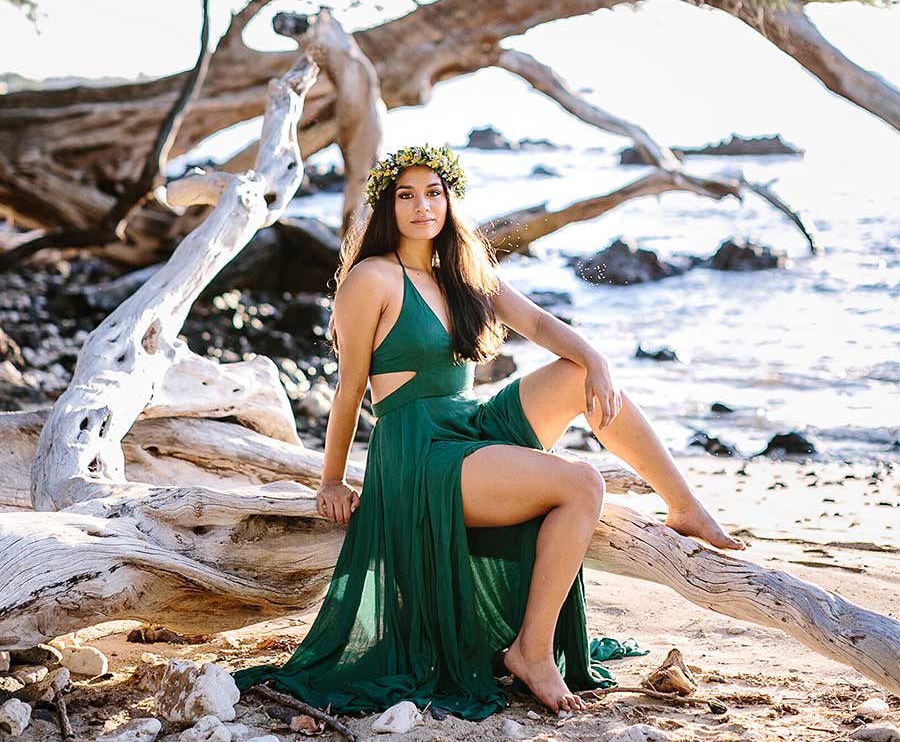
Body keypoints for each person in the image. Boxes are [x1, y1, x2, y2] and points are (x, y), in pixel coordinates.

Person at [231, 144, 745, 718]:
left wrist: (599, 359)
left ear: (450, 199)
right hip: (421, 453)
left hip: (468, 423)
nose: (422, 205)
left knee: (578, 375)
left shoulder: (462, 270)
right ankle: (531, 651)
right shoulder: (370, 280)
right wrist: (332, 481)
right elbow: (349, 391)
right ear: (387, 207)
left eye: (434, 192)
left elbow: (538, 322)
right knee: (582, 485)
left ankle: (684, 506)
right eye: (406, 195)